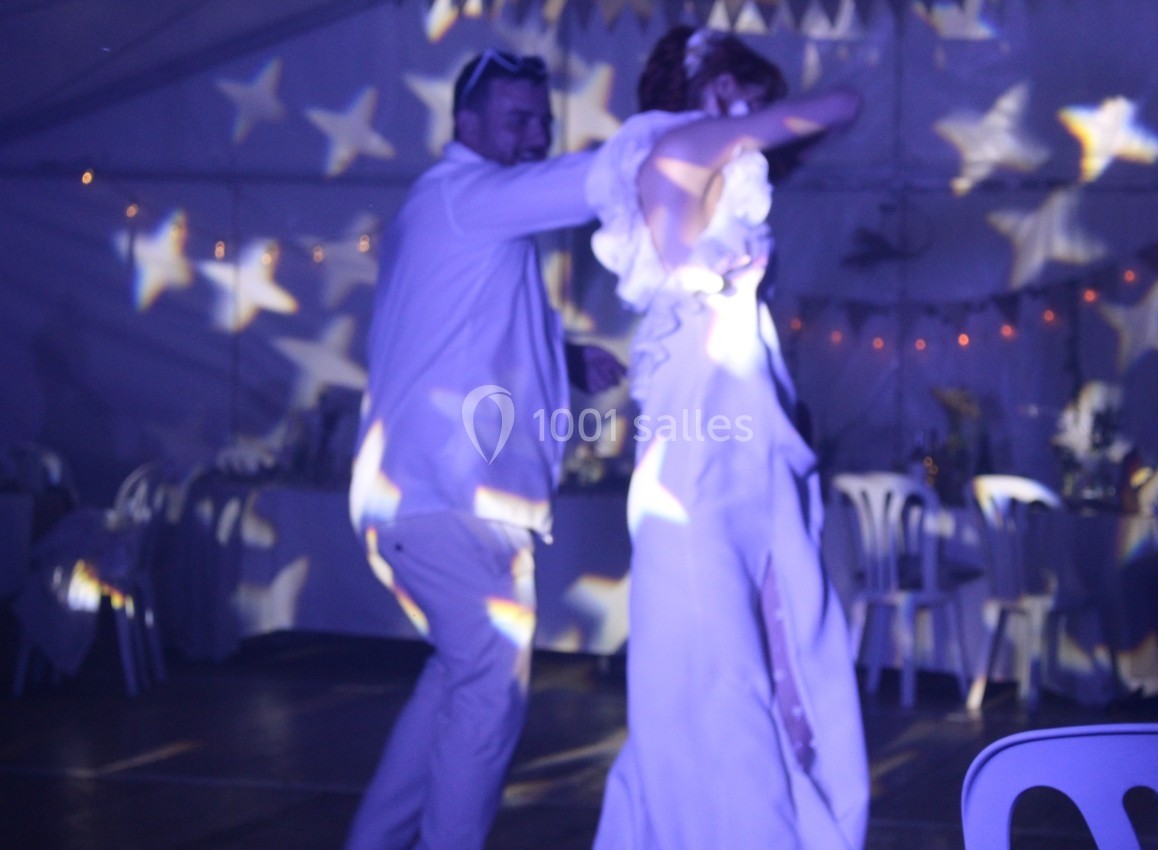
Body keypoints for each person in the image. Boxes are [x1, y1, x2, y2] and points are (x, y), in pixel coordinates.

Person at [586, 26, 869, 849]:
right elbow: (837, 106)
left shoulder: (705, 166)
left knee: (784, 666)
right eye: (739, 91)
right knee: (714, 685)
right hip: (697, 467)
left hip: (745, 449)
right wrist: (761, 117)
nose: (750, 109)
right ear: (702, 84)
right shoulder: (678, 145)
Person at [345, 49, 624, 850]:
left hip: (441, 501)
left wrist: (565, 356)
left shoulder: (457, 215)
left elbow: (460, 330)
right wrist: (706, 136)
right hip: (445, 501)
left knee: (456, 681)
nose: (535, 134)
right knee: (489, 696)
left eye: (541, 120)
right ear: (464, 126)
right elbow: (602, 177)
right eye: (517, 119)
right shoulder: (468, 194)